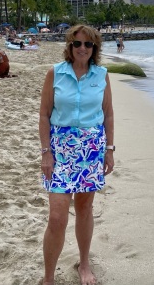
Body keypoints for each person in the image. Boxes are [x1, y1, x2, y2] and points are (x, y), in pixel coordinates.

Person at [39, 24, 114, 285]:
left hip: (91, 149)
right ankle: (48, 278)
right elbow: (44, 115)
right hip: (60, 150)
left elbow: (109, 114)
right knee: (57, 217)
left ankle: (84, 264)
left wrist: (110, 150)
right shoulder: (55, 73)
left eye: (88, 44)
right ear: (70, 46)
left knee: (85, 208)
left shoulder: (102, 75)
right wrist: (46, 152)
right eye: (77, 44)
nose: (82, 48)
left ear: (95, 48)